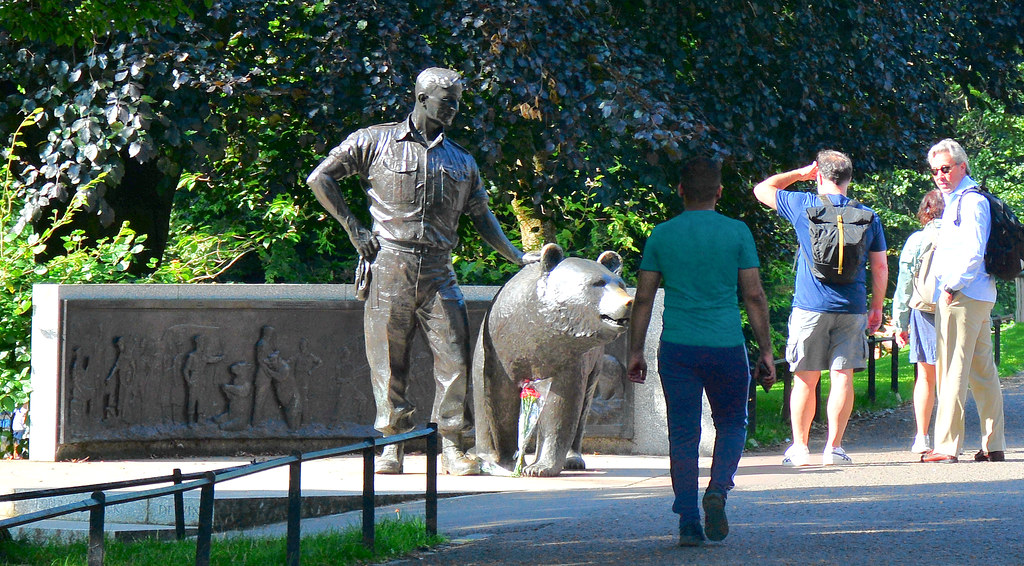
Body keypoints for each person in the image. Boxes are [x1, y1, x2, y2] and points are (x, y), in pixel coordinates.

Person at [307, 67, 531, 475]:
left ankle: (453, 446)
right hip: (389, 263)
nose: (454, 108)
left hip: (440, 270)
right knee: (389, 361)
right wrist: (355, 229)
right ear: (422, 97)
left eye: (458, 102)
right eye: (447, 101)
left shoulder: (462, 160)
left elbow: (483, 217)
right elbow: (319, 177)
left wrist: (517, 256)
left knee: (455, 358)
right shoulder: (374, 141)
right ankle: (392, 446)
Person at [627, 157, 775, 547]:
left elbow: (643, 298)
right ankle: (719, 490)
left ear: (680, 191)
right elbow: (754, 295)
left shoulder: (662, 234)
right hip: (726, 346)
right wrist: (766, 351)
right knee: (731, 423)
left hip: (678, 348)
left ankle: (689, 520)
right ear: (719, 192)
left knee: (683, 433)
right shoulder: (737, 232)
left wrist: (635, 351)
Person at [752, 150, 887, 466]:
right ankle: (835, 449)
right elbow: (880, 267)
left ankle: (800, 448)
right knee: (843, 377)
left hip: (810, 307)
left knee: (805, 377)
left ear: (820, 177)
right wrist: (876, 307)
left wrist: (799, 173)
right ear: (849, 180)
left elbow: (761, 190)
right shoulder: (868, 215)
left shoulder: (803, 205)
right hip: (851, 307)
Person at [920, 139, 1006, 464]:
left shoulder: (969, 202)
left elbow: (973, 250)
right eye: (934, 171)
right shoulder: (959, 199)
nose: (939, 176)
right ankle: (993, 444)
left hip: (963, 295)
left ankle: (945, 445)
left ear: (962, 167)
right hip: (977, 295)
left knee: (951, 369)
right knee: (983, 372)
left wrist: (952, 286)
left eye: (945, 169)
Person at [892, 190, 944, 454]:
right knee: (956, 374)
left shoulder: (917, 239)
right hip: (958, 307)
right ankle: (953, 435)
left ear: (925, 210)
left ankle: (922, 436)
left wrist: (900, 322)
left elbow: (904, 285)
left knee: (926, 375)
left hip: (924, 310)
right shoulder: (962, 234)